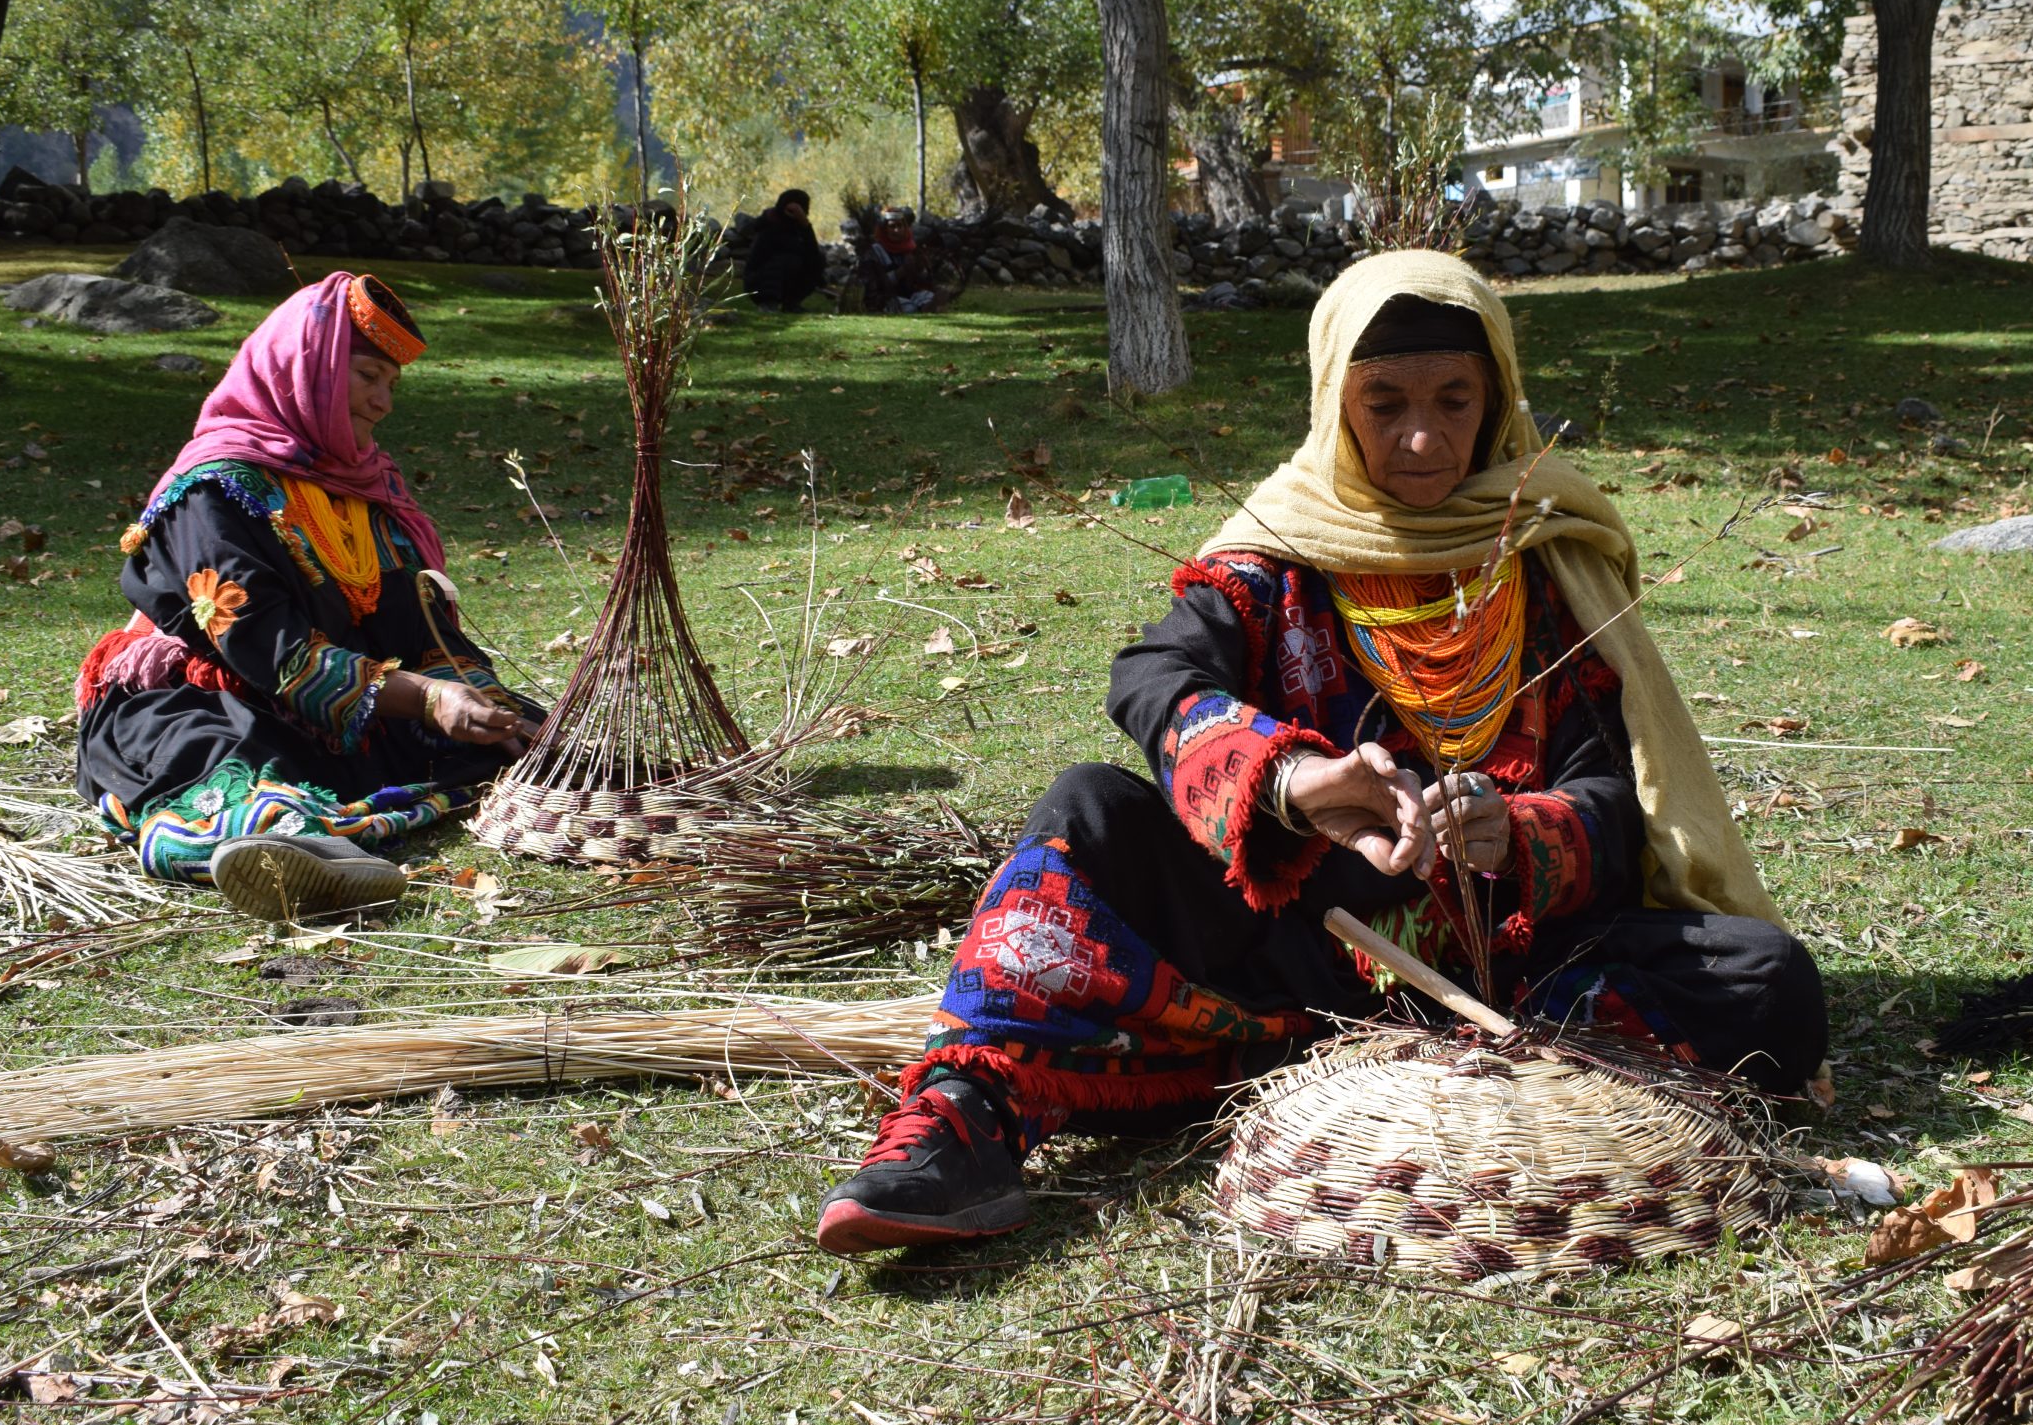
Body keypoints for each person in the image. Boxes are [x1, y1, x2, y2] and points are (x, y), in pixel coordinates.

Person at [816, 249, 1826, 1256]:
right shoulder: (1275, 559)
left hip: (1514, 965)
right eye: (1382, 403)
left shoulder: (1547, 556)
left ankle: (1416, 1056)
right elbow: (1151, 680)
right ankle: (960, 1128)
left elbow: (1610, 795)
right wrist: (1293, 782)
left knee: (1767, 985)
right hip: (1288, 947)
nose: (1421, 437)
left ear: (1499, 400)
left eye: (1454, 400)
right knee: (1087, 807)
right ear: (1332, 400)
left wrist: (1511, 833)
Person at [74, 272, 541, 922]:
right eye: (368, 375)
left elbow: (419, 627)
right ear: (308, 367)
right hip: (209, 693)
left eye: (391, 385)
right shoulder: (213, 490)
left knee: (523, 738)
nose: (383, 402)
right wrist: (429, 699)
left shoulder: (363, 490)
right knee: (241, 776)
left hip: (339, 701)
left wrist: (473, 699)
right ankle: (286, 856)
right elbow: (274, 651)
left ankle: (318, 843)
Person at [742, 188, 827, 313]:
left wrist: (806, 227)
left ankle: (791, 303)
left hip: (784, 278)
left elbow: (813, 254)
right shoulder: (769, 226)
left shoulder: (799, 229)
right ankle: (768, 303)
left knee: (816, 261)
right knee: (787, 260)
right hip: (759, 282)